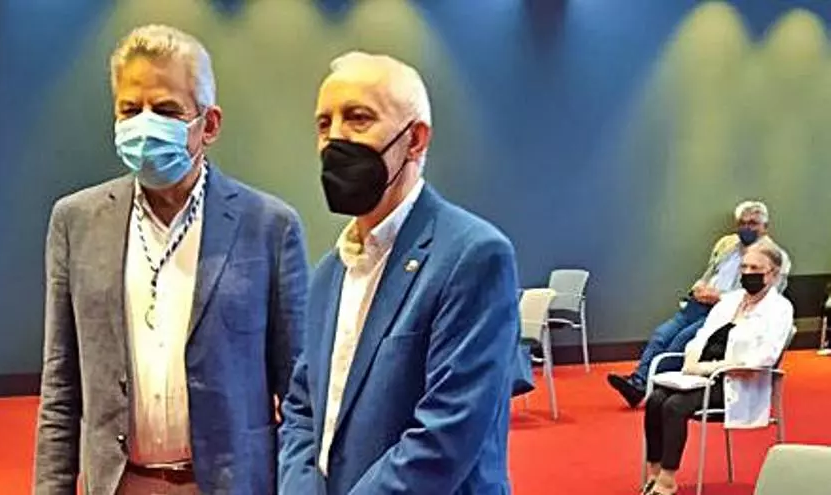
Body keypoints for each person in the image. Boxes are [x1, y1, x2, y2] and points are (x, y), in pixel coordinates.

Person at [33, 25, 308, 495]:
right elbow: (60, 387)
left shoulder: (270, 227)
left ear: (209, 124)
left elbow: (301, 394)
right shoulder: (75, 222)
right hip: (120, 483)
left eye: (165, 110)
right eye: (129, 109)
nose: (144, 125)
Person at [278, 52, 520, 494]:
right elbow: (302, 411)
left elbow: (445, 436)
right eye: (324, 123)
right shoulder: (329, 273)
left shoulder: (474, 256)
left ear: (415, 140)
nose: (335, 138)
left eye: (358, 118)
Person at [641, 240, 793, 495]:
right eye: (744, 267)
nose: (747, 273)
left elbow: (766, 356)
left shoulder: (780, 309)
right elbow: (701, 336)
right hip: (702, 376)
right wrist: (693, 361)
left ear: (774, 273)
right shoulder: (729, 301)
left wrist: (718, 367)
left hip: (737, 382)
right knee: (656, 399)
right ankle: (654, 472)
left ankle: (667, 481)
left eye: (755, 268)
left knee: (675, 405)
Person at [608, 200, 791, 408]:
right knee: (662, 334)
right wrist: (699, 287)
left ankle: (652, 387)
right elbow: (709, 274)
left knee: (681, 340)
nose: (746, 228)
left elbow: (764, 295)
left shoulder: (776, 258)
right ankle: (638, 379)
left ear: (765, 226)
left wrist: (719, 297)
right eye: (742, 223)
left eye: (753, 223)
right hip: (699, 303)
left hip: (725, 311)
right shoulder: (729, 248)